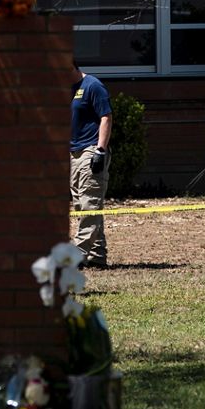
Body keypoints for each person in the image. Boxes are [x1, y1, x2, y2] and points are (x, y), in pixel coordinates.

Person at [71, 64, 113, 269]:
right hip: (73, 154)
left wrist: (100, 150)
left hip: (90, 150)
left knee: (90, 205)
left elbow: (106, 116)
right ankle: (97, 255)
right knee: (82, 206)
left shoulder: (92, 85)